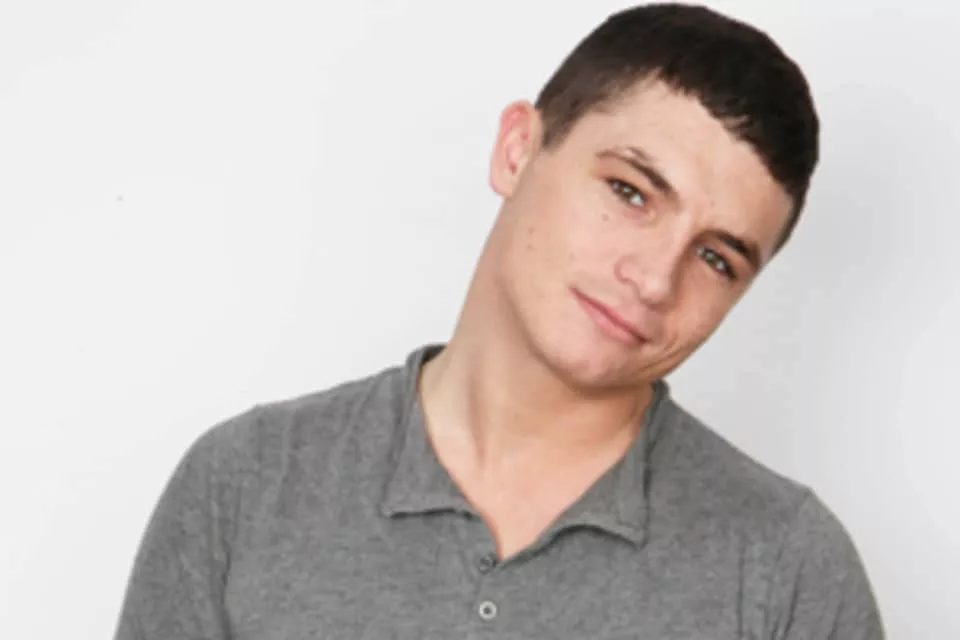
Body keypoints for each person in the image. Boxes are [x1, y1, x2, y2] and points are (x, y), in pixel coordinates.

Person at [114, 3, 884, 638]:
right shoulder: (244, 487)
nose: (654, 280)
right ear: (517, 150)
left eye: (716, 259)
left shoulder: (790, 570)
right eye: (630, 192)